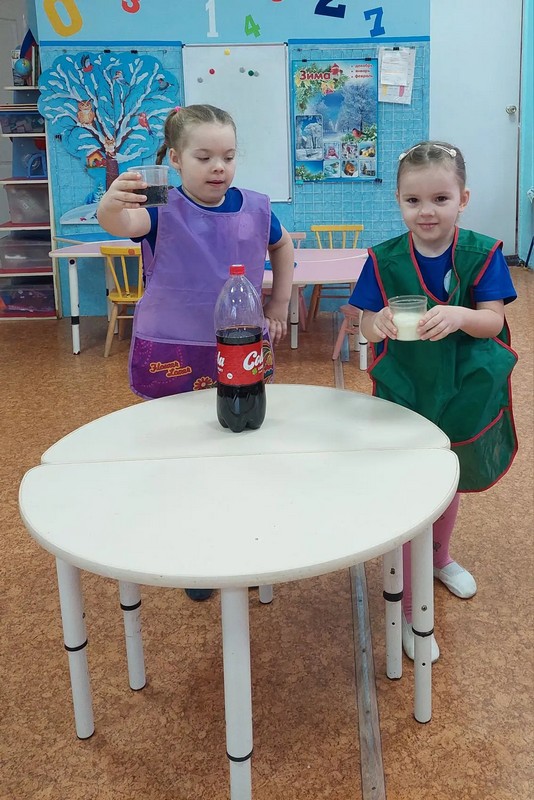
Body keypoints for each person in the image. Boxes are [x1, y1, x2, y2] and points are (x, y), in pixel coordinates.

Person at [97, 103, 294, 601]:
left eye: (228, 156)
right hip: (173, 348)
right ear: (176, 159)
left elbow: (282, 245)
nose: (218, 167)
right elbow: (118, 223)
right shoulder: (158, 205)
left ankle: (247, 543)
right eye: (204, 157)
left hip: (239, 346)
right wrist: (110, 203)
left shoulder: (255, 207)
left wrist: (279, 301)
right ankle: (196, 554)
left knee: (244, 448)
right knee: (183, 453)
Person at [348, 141, 518, 661]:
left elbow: (493, 320)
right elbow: (362, 324)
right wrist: (375, 323)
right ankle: (406, 604)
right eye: (413, 200)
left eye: (440, 199)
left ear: (462, 199)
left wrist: (461, 315)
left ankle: (439, 559)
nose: (427, 211)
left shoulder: (482, 254)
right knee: (408, 486)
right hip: (406, 384)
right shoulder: (384, 259)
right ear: (398, 201)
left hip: (463, 383)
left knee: (448, 477)